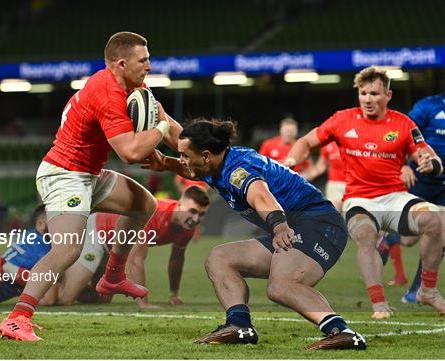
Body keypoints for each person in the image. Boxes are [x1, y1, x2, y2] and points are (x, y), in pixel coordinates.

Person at [0, 31, 183, 341]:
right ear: (121, 63)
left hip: (89, 174)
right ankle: (17, 319)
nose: (149, 65)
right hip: (63, 175)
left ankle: (112, 276)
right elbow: (131, 152)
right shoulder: (107, 92)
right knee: (69, 248)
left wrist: (191, 151)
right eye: (144, 60)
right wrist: (161, 131)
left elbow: (168, 122)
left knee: (143, 204)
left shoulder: (132, 85)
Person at [142, 119, 366, 350]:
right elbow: (176, 136)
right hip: (295, 224)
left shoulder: (236, 171)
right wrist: (166, 161)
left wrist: (279, 227)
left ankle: (342, 331)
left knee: (281, 286)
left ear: (206, 155)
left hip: (318, 223)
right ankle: (239, 325)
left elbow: (261, 196)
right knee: (220, 258)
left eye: (185, 156)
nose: (183, 160)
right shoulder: (213, 164)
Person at [285, 66, 444, 319]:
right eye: (363, 93)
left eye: (375, 94)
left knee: (435, 222)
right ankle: (379, 302)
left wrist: (431, 163)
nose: (368, 99)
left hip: (395, 197)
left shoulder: (404, 123)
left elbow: (427, 154)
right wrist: (292, 160)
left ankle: (428, 290)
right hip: (359, 200)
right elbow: (306, 141)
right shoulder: (342, 120)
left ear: (388, 95)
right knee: (365, 233)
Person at [51, 186, 210, 308]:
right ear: (179, 204)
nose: (196, 219)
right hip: (97, 233)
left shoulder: (187, 227)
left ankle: (71, 279)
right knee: (64, 299)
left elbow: (176, 258)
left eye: (201, 214)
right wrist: (144, 303)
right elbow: (135, 260)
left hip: (114, 248)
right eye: (192, 211)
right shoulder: (155, 213)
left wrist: (173, 293)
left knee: (100, 299)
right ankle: (43, 280)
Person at [381, 92, 445, 303]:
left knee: (441, 236)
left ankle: (418, 290)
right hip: (422, 180)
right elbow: (400, 135)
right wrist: (402, 166)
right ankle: (390, 238)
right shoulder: (428, 106)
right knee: (409, 239)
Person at [306, 142, 346, 211]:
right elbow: (321, 166)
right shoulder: (328, 145)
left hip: (352, 185)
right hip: (334, 185)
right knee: (334, 212)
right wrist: (305, 177)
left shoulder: (353, 141)